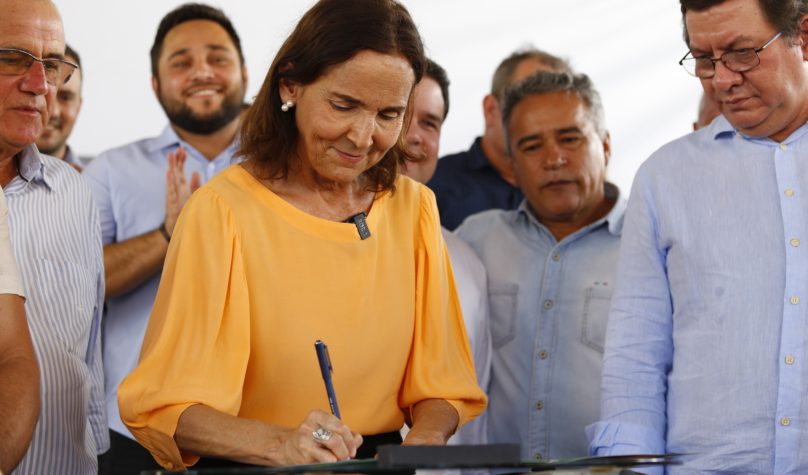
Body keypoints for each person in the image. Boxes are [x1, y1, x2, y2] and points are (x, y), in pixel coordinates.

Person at [117, 0, 486, 471]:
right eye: (343, 105)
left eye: (389, 114)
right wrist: (281, 443)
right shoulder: (222, 210)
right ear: (289, 85)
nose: (361, 136)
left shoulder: (415, 210)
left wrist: (429, 437)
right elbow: (164, 410)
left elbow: (442, 387)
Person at [588, 0, 808, 473]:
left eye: (741, 52)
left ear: (803, 37)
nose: (722, 80)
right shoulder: (664, 178)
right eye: (704, 59)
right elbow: (635, 357)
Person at [82, 4, 249, 473]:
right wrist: (167, 235)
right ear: (156, 84)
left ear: (245, 73)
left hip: (263, 426)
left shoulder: (285, 170)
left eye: (218, 57)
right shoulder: (112, 171)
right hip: (135, 430)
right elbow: (78, 284)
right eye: (181, 62)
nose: (201, 71)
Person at [457, 71, 623, 462]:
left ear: (606, 145)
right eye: (531, 146)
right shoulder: (475, 242)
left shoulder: (650, 246)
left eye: (570, 138)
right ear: (511, 166)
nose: (554, 159)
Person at [0, 0, 107, 473]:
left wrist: (95, 445)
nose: (40, 85)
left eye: (53, 65)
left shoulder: (75, 192)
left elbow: (86, 346)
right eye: (13, 58)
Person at [401, 58, 492, 451]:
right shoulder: (318, 242)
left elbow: (474, 408)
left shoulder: (466, 261)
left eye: (429, 123)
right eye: (398, 114)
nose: (414, 136)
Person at [427, 48, 572, 230]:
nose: (542, 118)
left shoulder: (569, 191)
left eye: (556, 109)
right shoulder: (433, 186)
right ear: (491, 109)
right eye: (527, 102)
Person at [35, 43, 84, 170]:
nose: (53, 112)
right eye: (43, 94)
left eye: (66, 97)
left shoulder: (97, 183)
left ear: (78, 107)